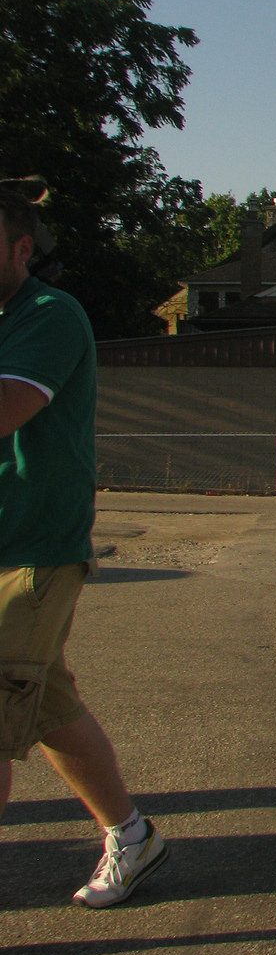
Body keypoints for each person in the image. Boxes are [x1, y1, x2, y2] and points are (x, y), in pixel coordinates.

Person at [0, 179, 168, 908]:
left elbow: (7, 409)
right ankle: (133, 836)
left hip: (31, 548)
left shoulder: (48, 315)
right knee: (46, 705)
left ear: (20, 249)